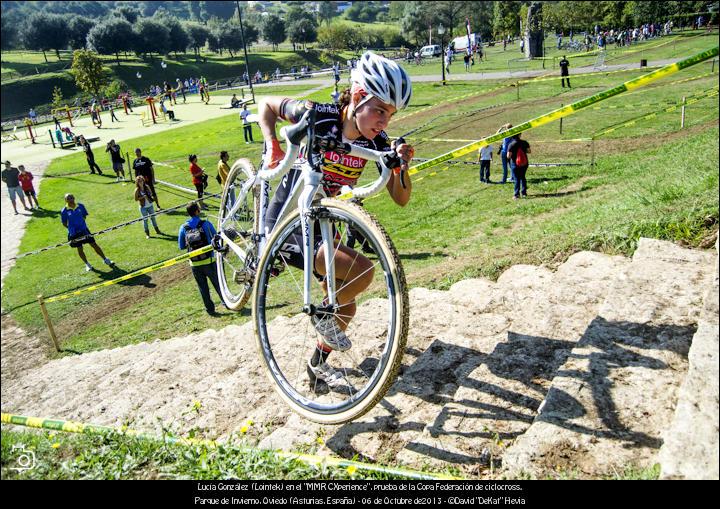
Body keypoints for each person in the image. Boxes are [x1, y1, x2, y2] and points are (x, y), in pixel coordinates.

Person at [258, 51, 414, 386]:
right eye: (380, 110)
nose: (384, 122)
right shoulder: (318, 115)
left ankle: (316, 366)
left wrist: (401, 165)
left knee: (347, 306)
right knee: (363, 271)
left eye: (391, 114)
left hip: (325, 226)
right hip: (291, 220)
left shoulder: (378, 142)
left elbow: (400, 198)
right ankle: (322, 320)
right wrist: (272, 145)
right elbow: (267, 106)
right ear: (358, 97)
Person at [178, 201, 223, 316]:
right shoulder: (206, 224)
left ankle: (210, 310)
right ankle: (226, 302)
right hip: (209, 261)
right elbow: (216, 237)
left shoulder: (183, 228)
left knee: (203, 288)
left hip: (195, 264)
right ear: (197, 211)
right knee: (218, 283)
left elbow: (181, 246)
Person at [61, 193, 114, 272]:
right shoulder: (64, 211)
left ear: (74, 198)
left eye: (71, 197)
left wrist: (81, 224)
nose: (70, 199)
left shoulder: (80, 206)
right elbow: (64, 222)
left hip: (84, 230)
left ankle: (105, 259)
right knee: (80, 248)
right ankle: (87, 264)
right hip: (74, 233)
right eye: (68, 198)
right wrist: (71, 228)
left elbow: (84, 216)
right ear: (65, 200)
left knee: (94, 244)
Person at [507, 133, 531, 199]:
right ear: (519, 135)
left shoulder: (511, 144)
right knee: (523, 177)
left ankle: (516, 194)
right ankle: (524, 193)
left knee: (516, 179)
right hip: (524, 163)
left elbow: (508, 156)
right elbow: (529, 151)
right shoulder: (525, 142)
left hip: (515, 164)